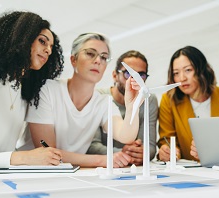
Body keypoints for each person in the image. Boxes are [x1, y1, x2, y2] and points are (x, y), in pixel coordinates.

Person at [0, 11, 64, 172]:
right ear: (22, 38)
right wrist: (25, 157)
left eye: (51, 47)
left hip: (1, 181)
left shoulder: (22, 90)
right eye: (42, 41)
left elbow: (3, 153)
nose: (48, 51)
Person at [25, 33, 141, 168]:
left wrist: (133, 107)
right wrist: (101, 160)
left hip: (69, 174)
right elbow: (46, 151)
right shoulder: (47, 90)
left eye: (104, 57)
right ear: (73, 59)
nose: (98, 60)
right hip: (30, 172)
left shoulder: (103, 102)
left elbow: (126, 136)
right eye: (91, 54)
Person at [158, 46, 219, 162]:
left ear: (202, 69)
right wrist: (168, 151)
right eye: (176, 73)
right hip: (189, 171)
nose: (181, 78)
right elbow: (166, 139)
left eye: (188, 70)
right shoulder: (168, 100)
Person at [87, 50, 158, 165]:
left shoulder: (149, 99)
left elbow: (149, 147)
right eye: (128, 73)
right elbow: (91, 146)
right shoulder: (98, 97)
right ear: (115, 75)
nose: (134, 80)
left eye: (141, 75)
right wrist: (122, 153)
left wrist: (142, 152)